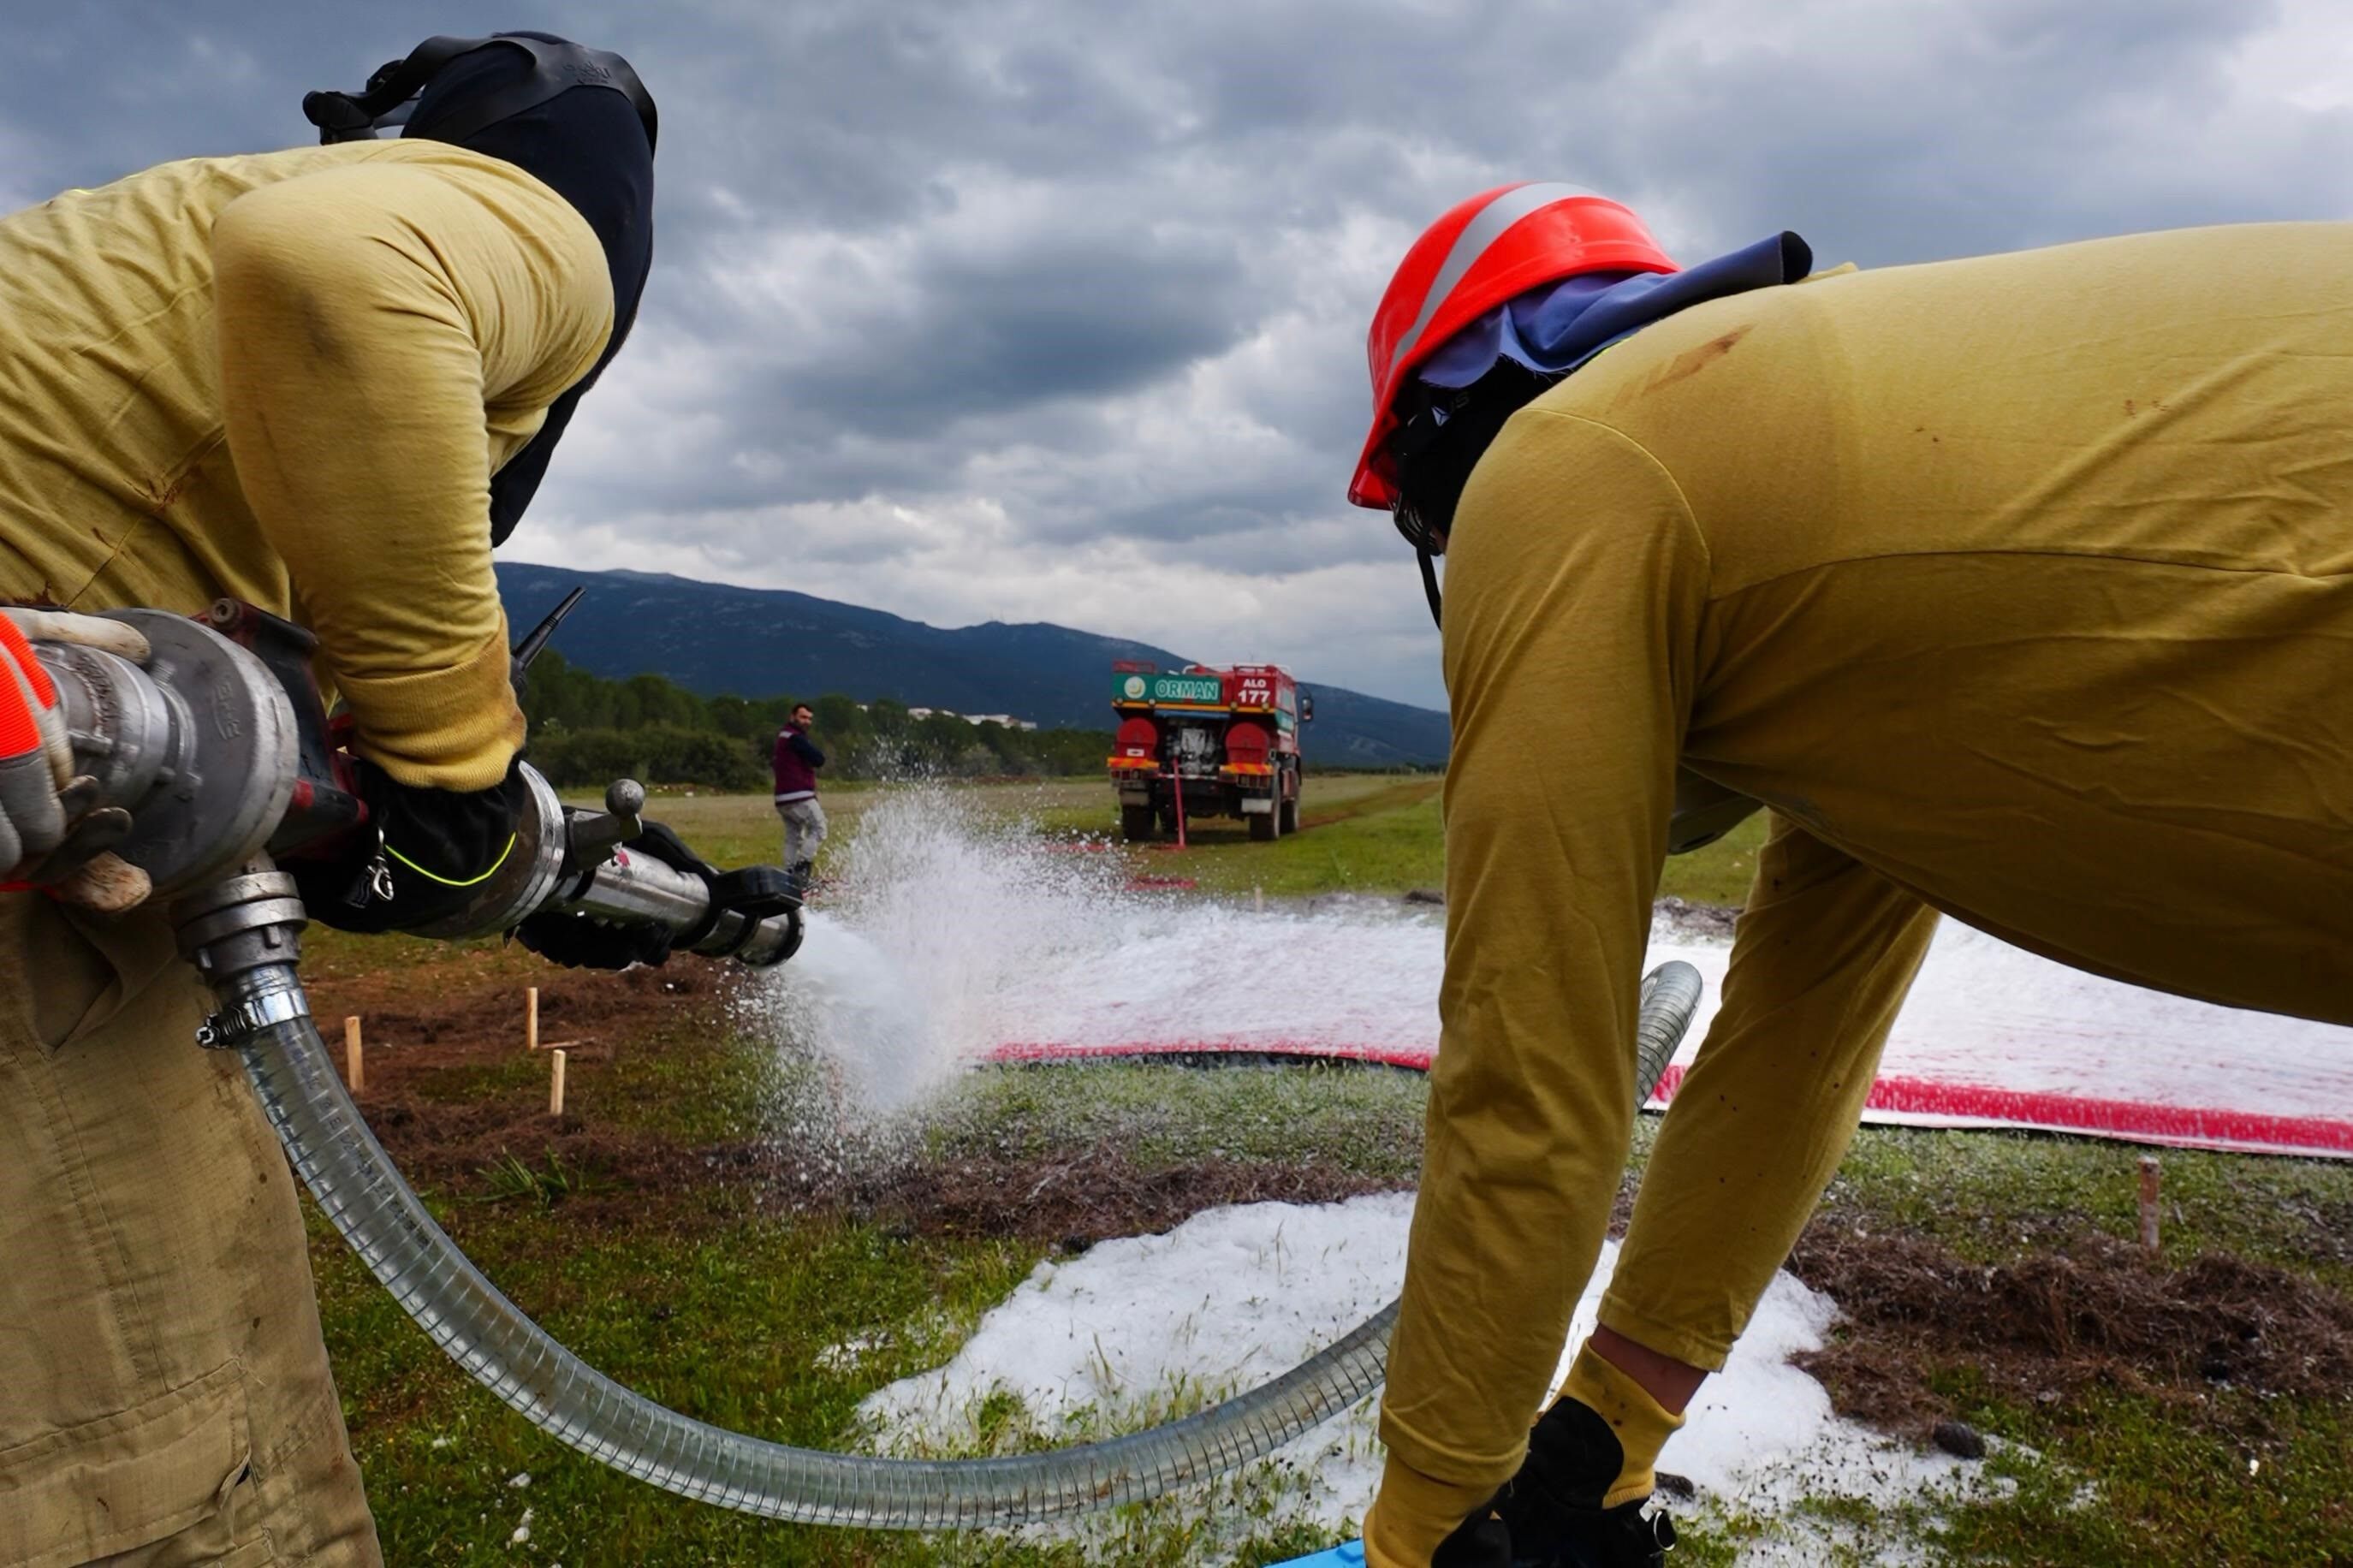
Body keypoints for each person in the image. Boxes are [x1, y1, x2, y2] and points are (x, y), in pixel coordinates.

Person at [1340, 185, 2353, 1567]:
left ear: (1447, 436)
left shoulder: (1569, 456)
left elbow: (1526, 1071)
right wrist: (1602, 1440)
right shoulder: (1835, 478)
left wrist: (1420, 1533)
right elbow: (1795, 1038)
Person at [0, 33, 657, 1564]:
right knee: (156, 1462)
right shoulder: (532, 208)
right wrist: (449, 768)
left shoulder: (131, 288)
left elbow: (286, 724)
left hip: (72, 750)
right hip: (38, 802)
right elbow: (335, 267)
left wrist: (531, 859)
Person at [774, 701, 828, 888]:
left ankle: (788, 874)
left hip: (782, 797)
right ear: (792, 717)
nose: (807, 722)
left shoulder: (783, 736)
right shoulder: (795, 738)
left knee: (793, 837)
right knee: (819, 828)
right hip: (798, 794)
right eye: (803, 717)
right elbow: (819, 759)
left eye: (809, 719)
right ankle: (802, 872)